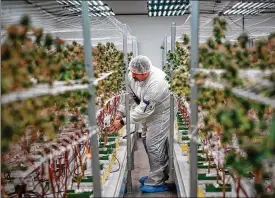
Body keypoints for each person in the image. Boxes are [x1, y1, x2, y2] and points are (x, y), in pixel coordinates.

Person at [111, 55, 174, 193]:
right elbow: (128, 95)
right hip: (147, 110)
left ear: (145, 73)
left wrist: (122, 122)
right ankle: (156, 173)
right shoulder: (132, 74)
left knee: (154, 144)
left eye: (135, 74)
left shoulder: (157, 83)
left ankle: (157, 181)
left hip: (161, 113)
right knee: (146, 139)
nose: (131, 75)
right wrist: (120, 113)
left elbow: (143, 110)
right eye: (131, 72)